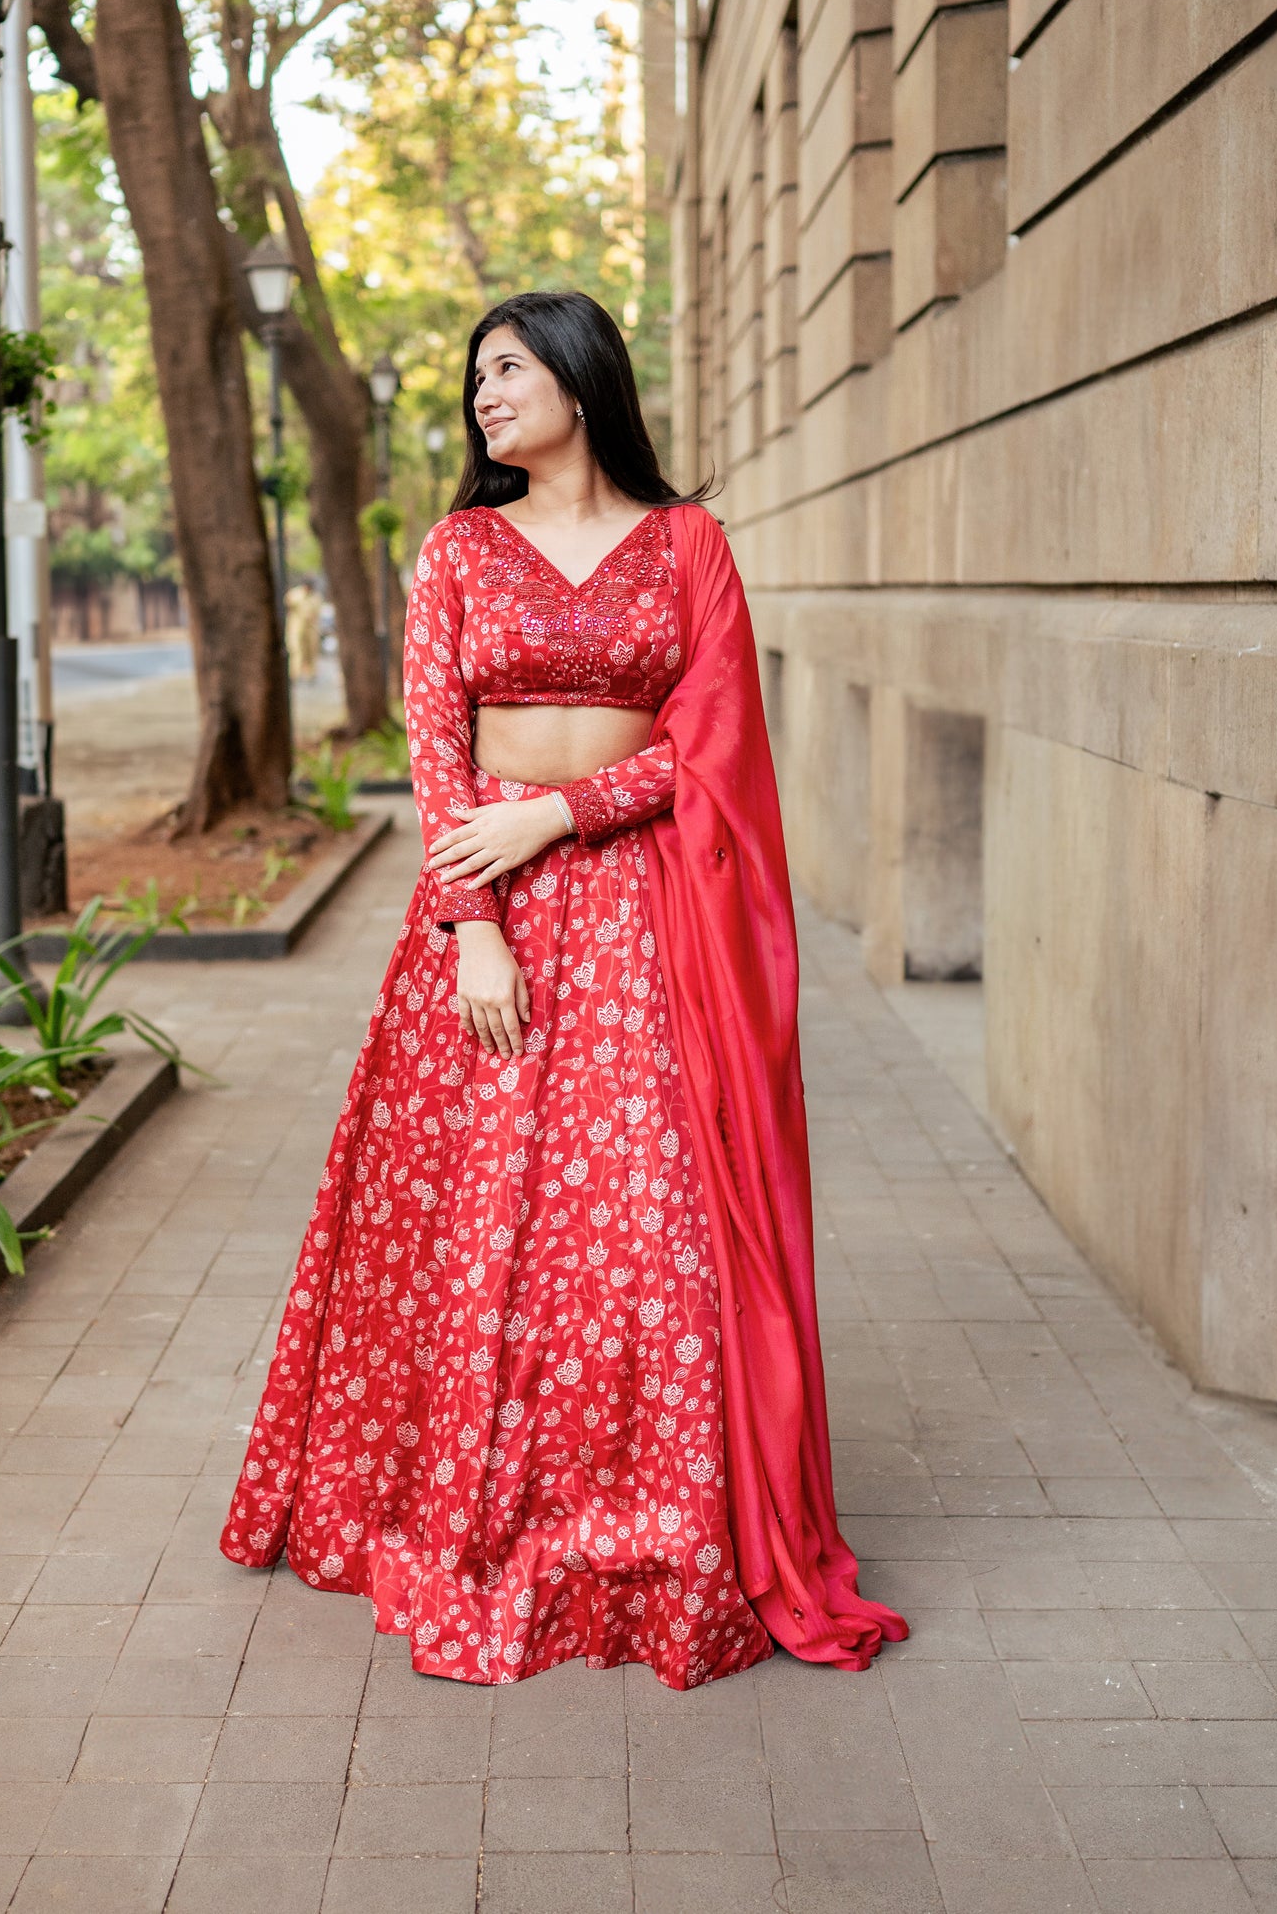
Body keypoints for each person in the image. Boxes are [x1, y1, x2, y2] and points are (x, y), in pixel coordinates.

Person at [221, 290, 906, 1689]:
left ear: (582, 380)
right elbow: (433, 747)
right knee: (481, 1227)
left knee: (650, 1230)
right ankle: (479, 1508)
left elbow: (715, 742)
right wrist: (475, 919)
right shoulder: (461, 550)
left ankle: (649, 1530)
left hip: (648, 918)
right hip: (487, 922)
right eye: (476, 378)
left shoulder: (688, 544)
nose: (483, 395)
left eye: (509, 369)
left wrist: (565, 811)